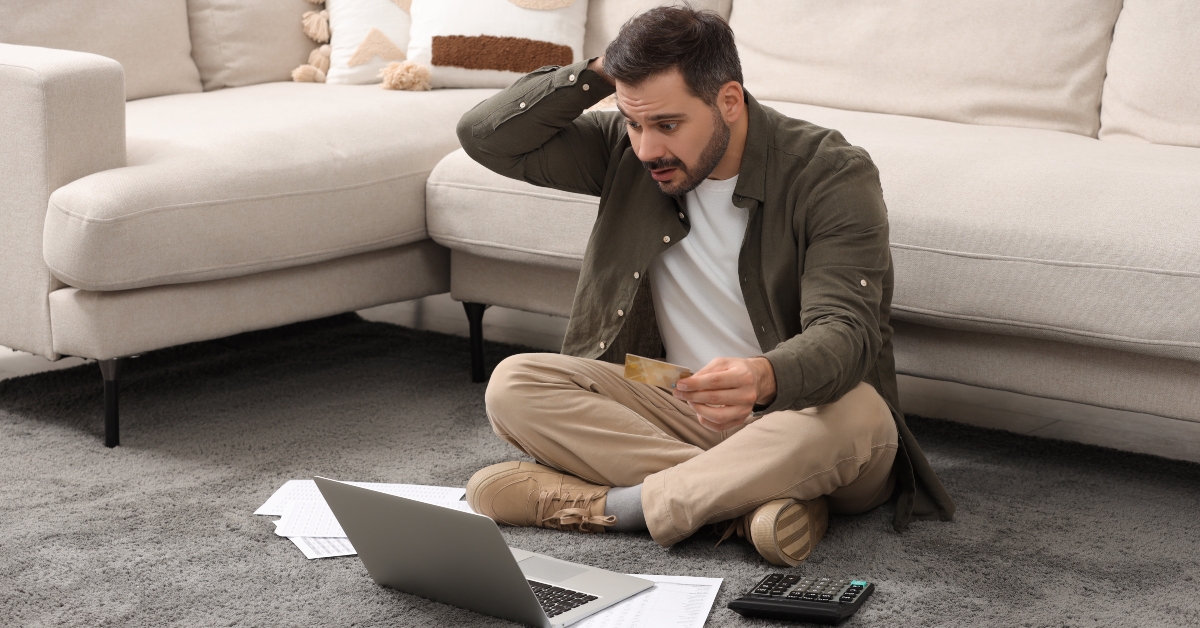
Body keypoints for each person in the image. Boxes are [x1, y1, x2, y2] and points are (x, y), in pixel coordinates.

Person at [456, 6, 954, 566]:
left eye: (667, 124)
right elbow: (485, 137)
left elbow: (846, 333)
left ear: (729, 101)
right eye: (632, 120)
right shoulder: (628, 152)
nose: (646, 149)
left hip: (800, 413)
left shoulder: (831, 172)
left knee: (861, 412)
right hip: (676, 395)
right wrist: (604, 71)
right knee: (515, 383)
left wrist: (765, 377)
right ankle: (756, 503)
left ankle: (615, 507)